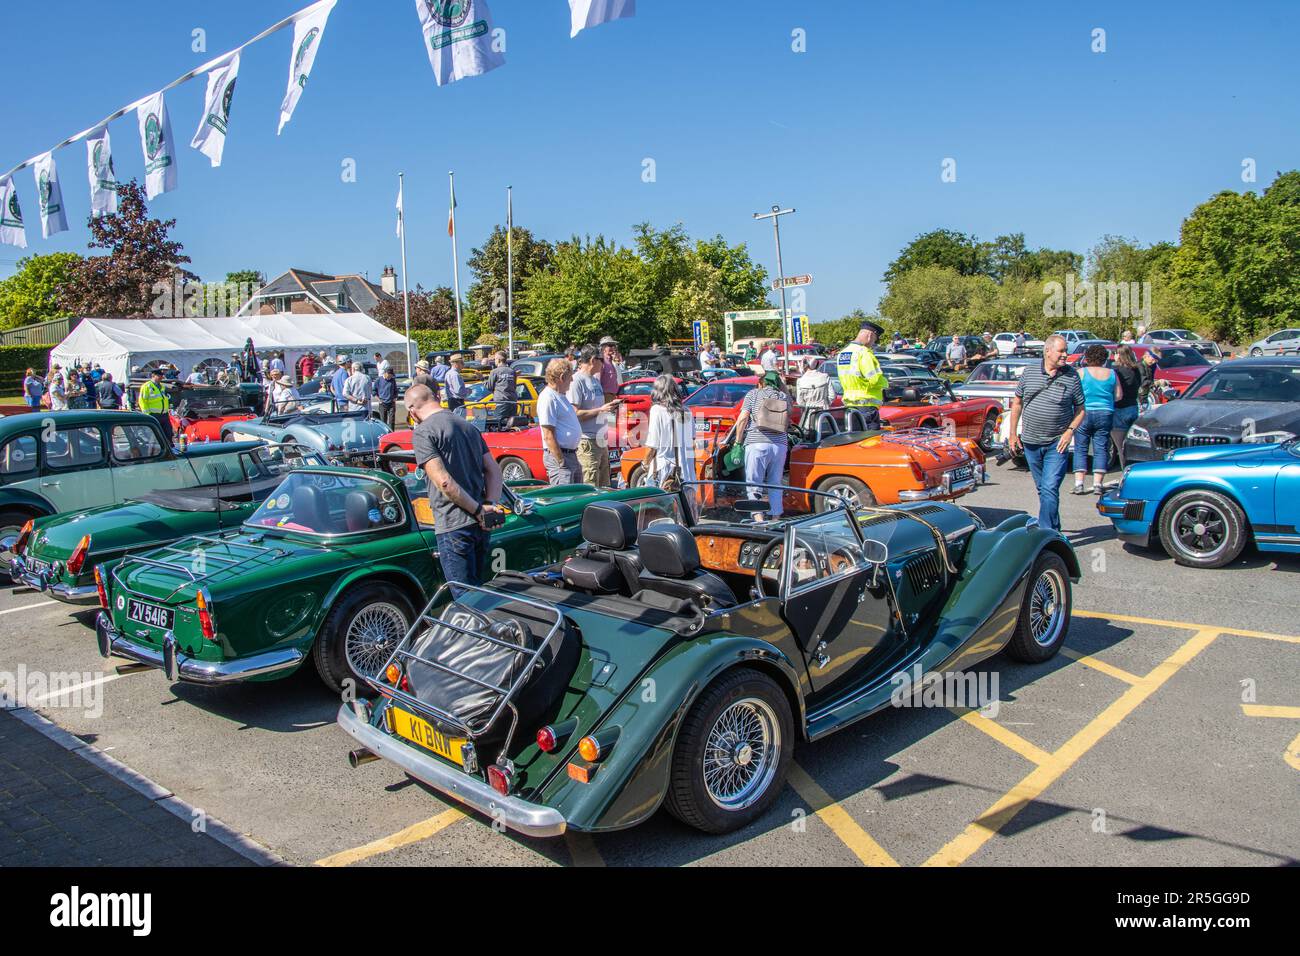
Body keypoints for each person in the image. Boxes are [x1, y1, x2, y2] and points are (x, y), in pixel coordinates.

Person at [405, 384, 504, 586]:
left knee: (464, 596)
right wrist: (489, 507)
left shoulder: (423, 432)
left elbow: (444, 482)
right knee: (481, 592)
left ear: (412, 411)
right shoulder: (468, 426)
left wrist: (478, 510)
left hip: (453, 523)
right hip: (481, 524)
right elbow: (493, 470)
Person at [1007, 334, 1085, 531]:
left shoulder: (1072, 376)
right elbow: (1017, 403)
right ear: (1047, 351)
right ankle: (1054, 528)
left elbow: (1081, 410)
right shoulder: (1030, 372)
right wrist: (1013, 434)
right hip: (1031, 442)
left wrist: (1069, 432)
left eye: (1066, 351)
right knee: (1044, 489)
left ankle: (1045, 532)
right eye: (1061, 351)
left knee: (1050, 488)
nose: (1065, 355)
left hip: (1056, 443)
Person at [731, 370, 790, 520]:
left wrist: (738, 442)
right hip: (780, 445)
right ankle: (776, 518)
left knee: (754, 483)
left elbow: (743, 418)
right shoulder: (783, 396)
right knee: (775, 483)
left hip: (757, 442)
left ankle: (758, 519)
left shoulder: (753, 394)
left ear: (760, 383)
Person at [1072, 344, 1120, 495]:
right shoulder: (1112, 373)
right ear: (1104, 358)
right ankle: (1097, 484)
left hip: (1084, 412)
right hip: (1105, 412)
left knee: (1081, 447)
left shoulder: (1081, 372)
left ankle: (1079, 483)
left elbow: (1074, 393)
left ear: (1087, 358)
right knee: (1101, 447)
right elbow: (1119, 395)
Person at [568, 346, 618, 487]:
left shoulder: (595, 381)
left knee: (604, 485)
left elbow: (598, 408)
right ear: (593, 360)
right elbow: (575, 414)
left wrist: (610, 407)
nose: (604, 364)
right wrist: (600, 410)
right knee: (590, 485)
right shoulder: (577, 381)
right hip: (587, 442)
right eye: (601, 360)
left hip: (601, 439)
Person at [644, 373, 695, 489]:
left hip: (665, 471)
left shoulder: (657, 411)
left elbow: (652, 445)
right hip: (686, 472)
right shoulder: (687, 411)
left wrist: (645, 464)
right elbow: (692, 444)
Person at [537, 358, 583, 485]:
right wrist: (561, 461)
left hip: (570, 454)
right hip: (561, 456)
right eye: (570, 377)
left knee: (577, 498)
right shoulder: (548, 397)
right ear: (562, 377)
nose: (572, 380)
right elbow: (548, 435)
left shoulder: (560, 396)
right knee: (565, 499)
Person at [836, 319, 888, 429]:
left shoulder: (843, 353)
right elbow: (874, 379)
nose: (873, 343)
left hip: (850, 405)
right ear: (870, 336)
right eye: (874, 340)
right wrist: (886, 383)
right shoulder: (864, 353)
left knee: (855, 439)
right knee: (870, 442)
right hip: (867, 405)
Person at [1110, 344, 1143, 470]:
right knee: (1133, 444)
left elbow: (1115, 391)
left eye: (1116, 353)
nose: (1114, 356)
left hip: (1120, 408)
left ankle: (1126, 471)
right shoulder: (1136, 370)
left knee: (1121, 447)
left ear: (1120, 355)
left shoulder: (1117, 372)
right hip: (1133, 407)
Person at [138, 368, 175, 444]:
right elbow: (142, 401)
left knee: (169, 433)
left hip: (164, 414)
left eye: (162, 376)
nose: (161, 377)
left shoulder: (162, 386)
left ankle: (171, 448)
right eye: (159, 376)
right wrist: (147, 414)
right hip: (153, 414)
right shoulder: (147, 386)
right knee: (155, 436)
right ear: (153, 376)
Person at [485, 351, 519, 420]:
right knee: (512, 424)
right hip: (513, 402)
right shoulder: (512, 371)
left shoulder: (495, 371)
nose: (494, 361)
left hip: (501, 402)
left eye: (495, 359)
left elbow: (489, 387)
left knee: (499, 424)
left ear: (499, 360)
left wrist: (483, 380)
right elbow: (514, 386)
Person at [599, 336, 621, 401]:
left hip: (613, 395)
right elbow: (597, 381)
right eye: (610, 345)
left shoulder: (611, 361)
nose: (613, 347)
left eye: (613, 345)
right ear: (603, 348)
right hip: (605, 396)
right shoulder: (601, 362)